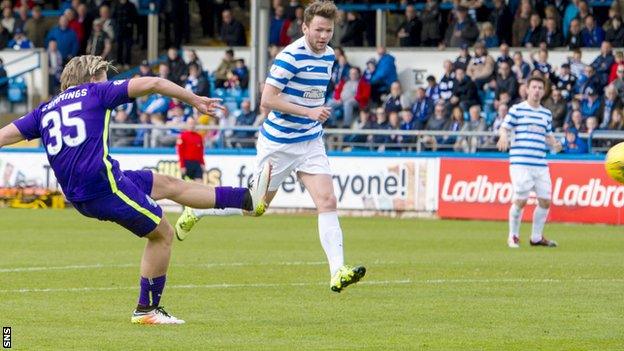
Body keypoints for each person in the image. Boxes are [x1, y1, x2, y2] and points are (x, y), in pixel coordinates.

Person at [0, 55, 271, 324]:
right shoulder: (96, 91)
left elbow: (2, 136)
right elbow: (153, 83)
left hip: (86, 188)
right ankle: (147, 310)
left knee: (166, 184)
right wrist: (194, 100)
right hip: (102, 187)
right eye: (105, 75)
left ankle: (245, 198)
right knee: (163, 233)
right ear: (92, 78)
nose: (109, 80)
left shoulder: (44, 110)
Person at [174, 1, 366, 293]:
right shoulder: (290, 57)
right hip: (279, 143)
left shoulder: (328, 56)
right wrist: (309, 112)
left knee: (327, 201)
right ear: (304, 28)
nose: (324, 36)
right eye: (318, 30)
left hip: (310, 141)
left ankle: (337, 270)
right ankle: (198, 209)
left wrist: (312, 115)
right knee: (255, 207)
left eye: (328, 30)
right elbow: (267, 100)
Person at [497, 76, 562, 249]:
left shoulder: (546, 114)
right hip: (521, 163)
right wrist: (503, 136)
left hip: (540, 164)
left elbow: (547, 134)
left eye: (540, 88)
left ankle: (536, 237)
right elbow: (505, 127)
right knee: (521, 200)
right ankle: (513, 236)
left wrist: (555, 143)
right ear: (527, 89)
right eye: (534, 87)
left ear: (544, 91)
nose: (537, 90)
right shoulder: (517, 109)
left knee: (546, 201)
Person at [176, 117, 204, 181]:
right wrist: (182, 166)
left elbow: (201, 152)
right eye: (190, 123)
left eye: (193, 123)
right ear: (187, 124)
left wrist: (202, 163)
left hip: (197, 163)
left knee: (199, 184)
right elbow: (180, 152)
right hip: (187, 163)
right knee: (186, 186)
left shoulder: (199, 137)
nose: (191, 125)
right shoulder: (182, 136)